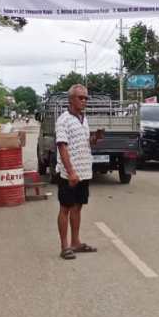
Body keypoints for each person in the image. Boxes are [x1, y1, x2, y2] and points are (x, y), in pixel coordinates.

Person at [55, 84, 97, 261]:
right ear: (71, 99)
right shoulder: (63, 120)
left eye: (86, 98)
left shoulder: (83, 118)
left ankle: (76, 242)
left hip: (84, 171)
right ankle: (65, 246)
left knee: (78, 207)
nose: (84, 101)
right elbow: (62, 147)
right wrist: (71, 172)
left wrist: (94, 139)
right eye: (81, 97)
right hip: (68, 173)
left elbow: (85, 143)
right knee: (65, 208)